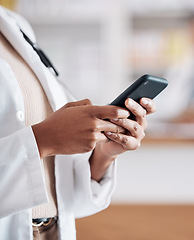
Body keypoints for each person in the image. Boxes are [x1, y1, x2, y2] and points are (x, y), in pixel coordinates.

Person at [0, 6, 157, 239]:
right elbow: (41, 142)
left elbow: (56, 186)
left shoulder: (14, 24)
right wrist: (43, 140)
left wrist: (103, 154)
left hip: (49, 231)